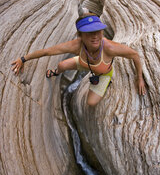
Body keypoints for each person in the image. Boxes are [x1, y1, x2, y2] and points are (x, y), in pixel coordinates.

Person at [12, 13, 146, 106]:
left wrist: (139, 77)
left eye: (98, 31)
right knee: (61, 65)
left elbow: (134, 55)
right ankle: (56, 72)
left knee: (91, 102)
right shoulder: (76, 45)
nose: (95, 36)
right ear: (80, 35)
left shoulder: (109, 48)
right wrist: (23, 59)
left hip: (103, 72)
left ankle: (107, 81)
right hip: (83, 63)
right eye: (89, 32)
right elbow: (47, 51)